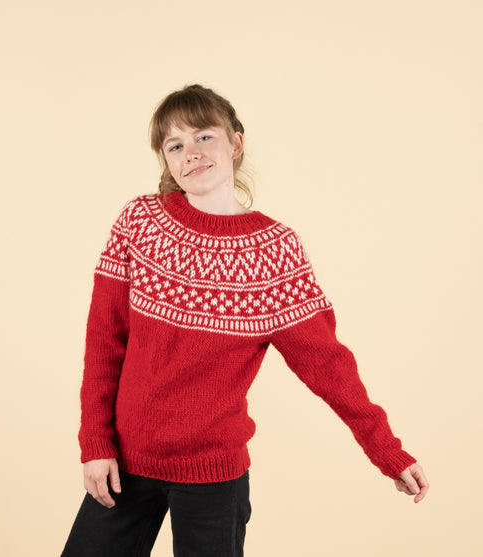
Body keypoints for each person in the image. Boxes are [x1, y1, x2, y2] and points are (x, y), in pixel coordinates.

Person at [60, 83, 429, 557]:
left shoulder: (274, 253)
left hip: (214, 477)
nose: (191, 153)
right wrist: (95, 442)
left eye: (203, 137)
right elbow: (104, 343)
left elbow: (328, 366)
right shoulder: (139, 223)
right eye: (175, 145)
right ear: (166, 160)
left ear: (235, 143)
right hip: (123, 464)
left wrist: (387, 451)